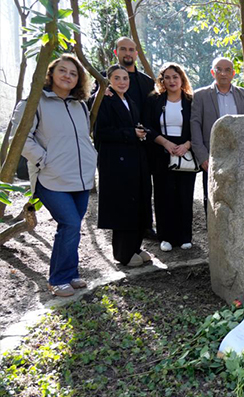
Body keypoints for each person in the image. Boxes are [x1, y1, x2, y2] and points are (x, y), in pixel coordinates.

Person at [14, 54, 97, 297]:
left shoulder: (79, 105)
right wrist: (43, 159)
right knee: (70, 223)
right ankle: (58, 279)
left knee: (72, 226)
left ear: (79, 80)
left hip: (80, 177)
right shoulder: (34, 102)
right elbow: (20, 138)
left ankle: (70, 273)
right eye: (62, 70)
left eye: (73, 73)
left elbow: (83, 138)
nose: (67, 76)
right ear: (50, 73)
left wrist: (91, 157)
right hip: (50, 177)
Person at [94, 65, 153, 268]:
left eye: (125, 78)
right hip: (116, 162)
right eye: (117, 78)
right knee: (123, 206)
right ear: (108, 80)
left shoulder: (130, 101)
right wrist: (130, 133)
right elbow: (101, 133)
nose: (122, 82)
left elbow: (130, 125)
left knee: (138, 202)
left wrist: (139, 132)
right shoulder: (104, 100)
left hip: (135, 159)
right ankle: (123, 253)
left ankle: (135, 247)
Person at [190, 57, 244, 215]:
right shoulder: (200, 96)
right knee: (214, 201)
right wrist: (202, 157)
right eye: (219, 69)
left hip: (240, 157)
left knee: (241, 198)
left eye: (227, 70)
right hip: (212, 158)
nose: (223, 73)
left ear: (233, 73)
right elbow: (195, 125)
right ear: (213, 72)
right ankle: (214, 231)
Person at [145, 63, 196, 252]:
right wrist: (165, 143)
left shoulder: (191, 101)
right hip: (161, 151)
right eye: (167, 77)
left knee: (185, 195)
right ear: (162, 80)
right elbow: (147, 126)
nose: (172, 81)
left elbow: (198, 126)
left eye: (175, 77)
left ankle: (185, 236)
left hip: (185, 152)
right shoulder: (154, 100)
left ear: (182, 79)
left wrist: (187, 145)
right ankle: (166, 237)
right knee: (163, 195)